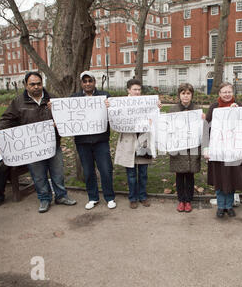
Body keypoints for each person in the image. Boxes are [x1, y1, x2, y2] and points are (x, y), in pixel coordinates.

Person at [0, 72, 76, 213]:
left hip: (53, 144)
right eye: (32, 84)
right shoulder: (18, 102)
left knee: (58, 173)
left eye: (39, 83)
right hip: (32, 148)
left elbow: (66, 118)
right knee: (38, 175)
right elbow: (7, 118)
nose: (36, 87)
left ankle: (61, 196)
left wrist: (57, 117)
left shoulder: (53, 99)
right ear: (26, 85)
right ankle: (44, 199)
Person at [70, 71, 116, 210]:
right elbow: (68, 116)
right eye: (85, 81)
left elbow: (114, 114)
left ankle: (109, 197)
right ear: (81, 83)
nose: (87, 83)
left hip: (100, 140)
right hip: (83, 141)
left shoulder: (104, 95)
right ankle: (93, 197)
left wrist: (110, 106)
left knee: (105, 169)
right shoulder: (74, 98)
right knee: (88, 171)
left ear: (94, 82)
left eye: (90, 81)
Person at [113, 79, 160, 209]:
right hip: (129, 141)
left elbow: (154, 119)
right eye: (135, 89)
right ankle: (133, 198)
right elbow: (114, 117)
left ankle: (143, 196)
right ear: (128, 90)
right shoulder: (121, 103)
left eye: (139, 89)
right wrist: (109, 106)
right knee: (131, 173)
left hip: (143, 141)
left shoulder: (146, 103)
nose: (137, 92)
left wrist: (156, 108)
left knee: (143, 173)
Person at [205, 82, 242, 218]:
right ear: (219, 93)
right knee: (219, 178)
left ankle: (229, 205)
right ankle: (220, 205)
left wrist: (236, 112)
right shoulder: (214, 107)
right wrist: (206, 148)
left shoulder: (239, 106)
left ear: (233, 93)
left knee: (232, 177)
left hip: (234, 150)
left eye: (229, 91)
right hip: (218, 149)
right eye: (224, 92)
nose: (227, 94)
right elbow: (206, 128)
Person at [168, 83, 204, 213]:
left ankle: (188, 200)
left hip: (192, 148)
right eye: (183, 93)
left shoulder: (197, 109)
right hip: (178, 147)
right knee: (179, 174)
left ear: (192, 95)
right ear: (179, 95)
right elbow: (168, 129)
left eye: (188, 93)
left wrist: (203, 120)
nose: (186, 96)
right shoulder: (173, 110)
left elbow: (202, 129)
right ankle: (181, 200)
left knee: (190, 174)